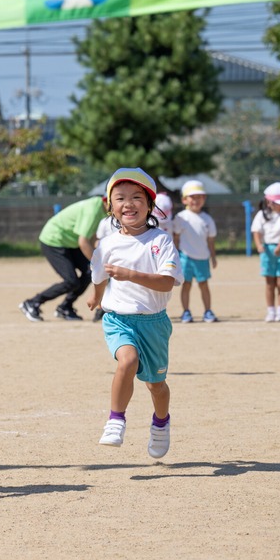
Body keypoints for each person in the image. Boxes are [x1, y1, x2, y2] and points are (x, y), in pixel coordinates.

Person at [85, 168, 182, 459]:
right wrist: (97, 298)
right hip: (118, 319)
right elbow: (99, 275)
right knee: (127, 360)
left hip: (154, 323)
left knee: (156, 385)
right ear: (110, 206)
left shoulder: (161, 241)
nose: (129, 203)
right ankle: (116, 419)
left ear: (150, 205)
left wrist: (130, 274)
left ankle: (161, 423)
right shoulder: (107, 244)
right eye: (121, 198)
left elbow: (167, 282)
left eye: (137, 197)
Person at [20, 195, 108, 322]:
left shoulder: (102, 210)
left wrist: (99, 258)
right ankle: (32, 302)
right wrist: (98, 264)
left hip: (69, 243)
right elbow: (83, 242)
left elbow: (91, 236)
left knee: (89, 272)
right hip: (53, 240)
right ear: (107, 200)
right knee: (71, 281)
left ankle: (65, 307)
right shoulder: (93, 209)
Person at [173, 180, 218, 323]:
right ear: (184, 199)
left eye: (200, 197)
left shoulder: (208, 219)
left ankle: (208, 311)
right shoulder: (181, 217)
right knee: (186, 285)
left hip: (203, 257)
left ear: (204, 199)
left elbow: (210, 240)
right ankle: (186, 312)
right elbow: (176, 238)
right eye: (192, 197)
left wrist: (213, 257)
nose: (196, 200)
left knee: (204, 284)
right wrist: (175, 257)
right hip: (185, 257)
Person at [251, 182, 280, 322]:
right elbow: (256, 231)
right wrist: (259, 245)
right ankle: (271, 311)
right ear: (270, 202)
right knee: (269, 282)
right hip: (267, 251)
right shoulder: (262, 215)